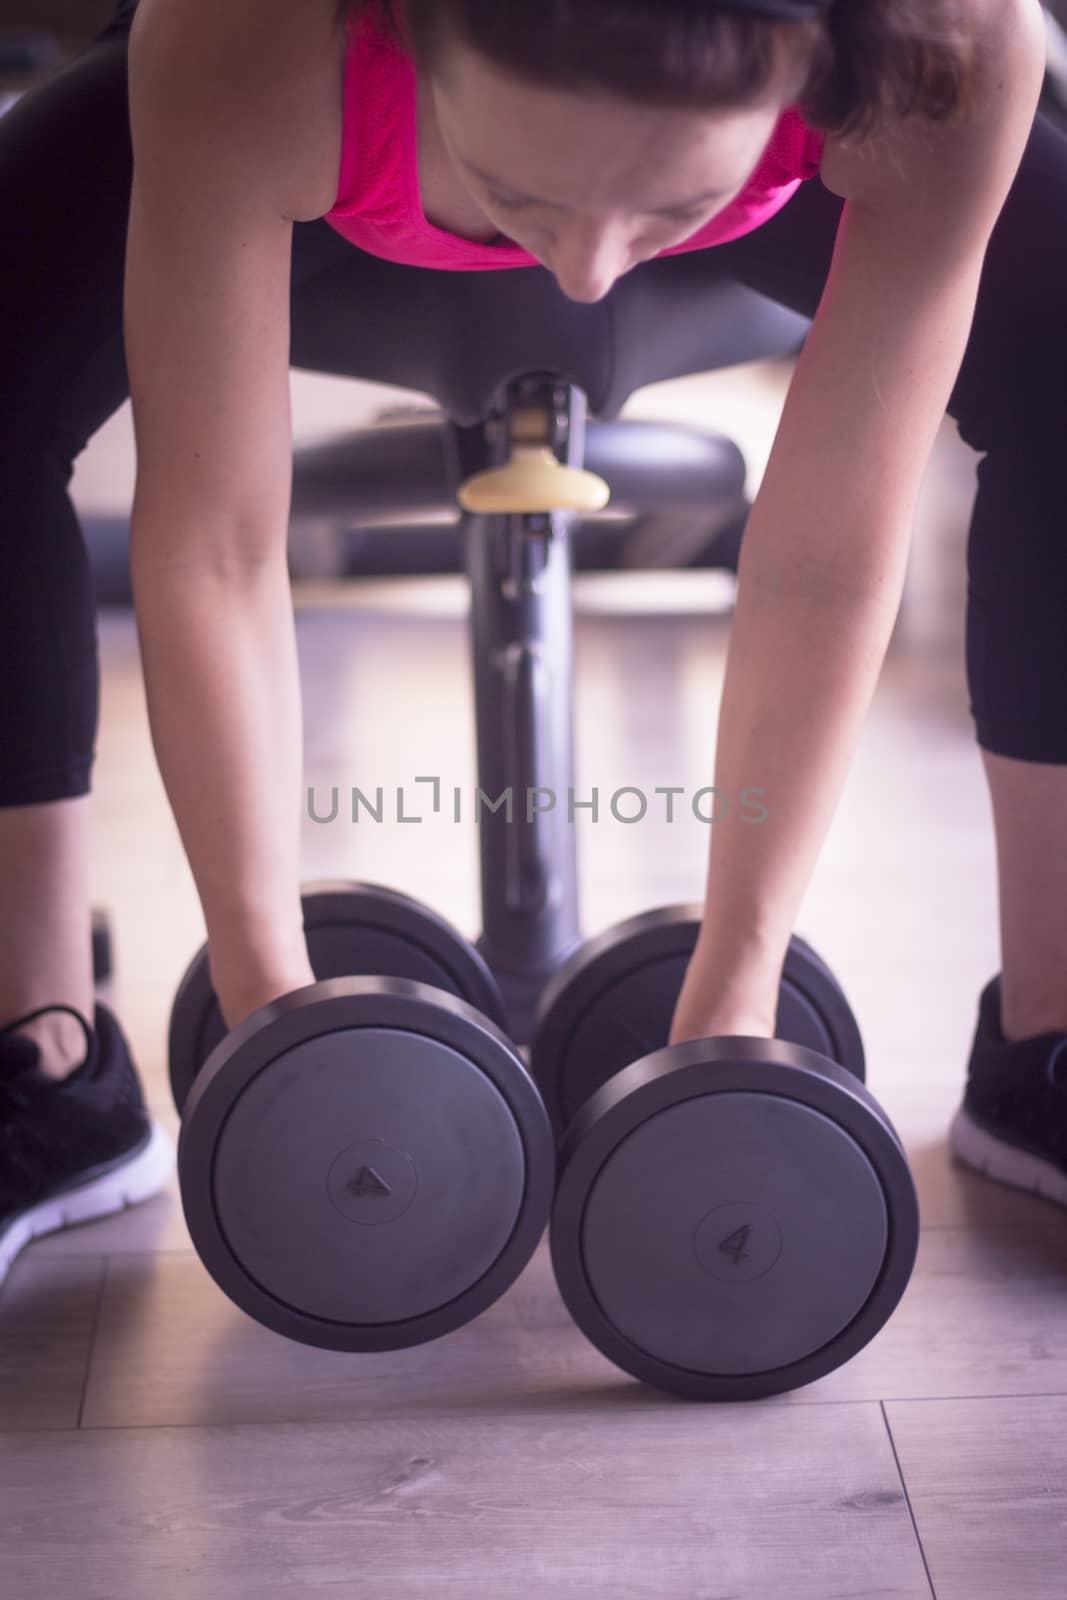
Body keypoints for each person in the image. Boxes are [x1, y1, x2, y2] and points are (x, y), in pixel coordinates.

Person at [0, 0, 1063, 1292]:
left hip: (787, 186)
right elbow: (213, 548)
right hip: (331, 148)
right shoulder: (250, 33)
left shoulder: (945, 50)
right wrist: (267, 1001)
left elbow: (825, 562)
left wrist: (737, 993)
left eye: (653, 218)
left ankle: (1044, 1042)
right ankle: (46, 1063)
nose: (586, 276)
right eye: (528, 201)